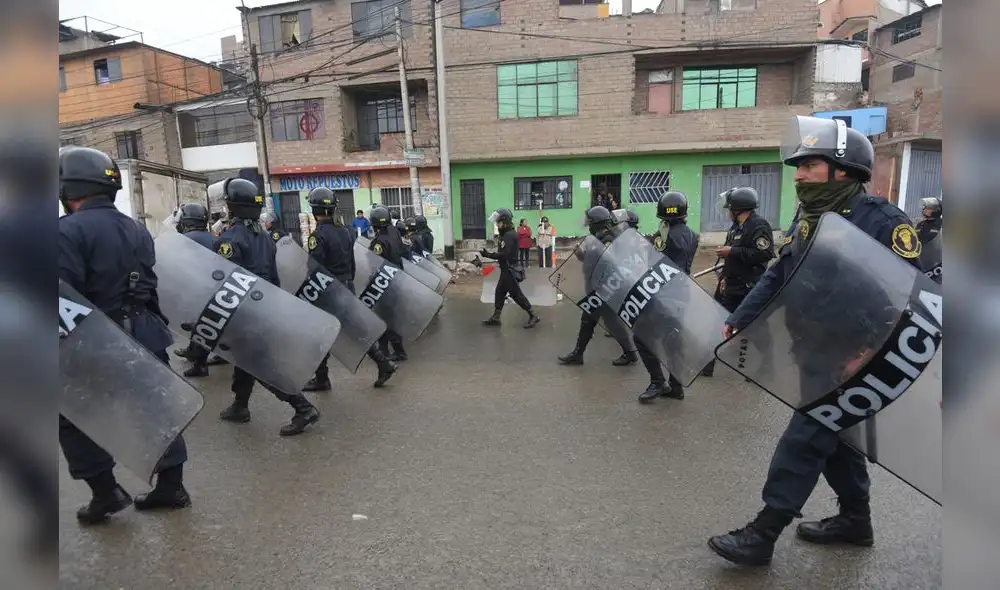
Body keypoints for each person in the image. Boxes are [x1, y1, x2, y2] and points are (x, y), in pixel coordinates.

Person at [707, 115, 924, 567]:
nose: (799, 173)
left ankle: (764, 532)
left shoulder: (882, 221)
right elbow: (782, 272)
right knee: (837, 439)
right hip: (814, 347)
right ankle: (855, 520)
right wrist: (742, 318)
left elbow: (906, 296)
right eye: (798, 166)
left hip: (854, 356)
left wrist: (866, 352)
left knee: (805, 437)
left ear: (842, 169)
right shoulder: (809, 218)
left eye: (809, 165)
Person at [58, 146, 190, 523]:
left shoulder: (64, 231)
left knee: (73, 412)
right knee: (157, 409)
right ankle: (172, 486)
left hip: (97, 337)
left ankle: (105, 493)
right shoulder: (136, 228)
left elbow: (62, 295)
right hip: (146, 331)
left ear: (68, 188)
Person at [214, 178, 321, 436]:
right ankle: (240, 406)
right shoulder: (264, 237)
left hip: (244, 313)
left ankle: (302, 407)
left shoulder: (229, 240)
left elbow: (225, 284)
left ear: (231, 206)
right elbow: (274, 278)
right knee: (244, 360)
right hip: (264, 308)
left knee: (258, 364)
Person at [302, 188, 397, 391]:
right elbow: (351, 263)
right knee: (354, 329)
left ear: (314, 209)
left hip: (328, 290)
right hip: (346, 285)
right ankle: (383, 362)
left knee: (319, 333)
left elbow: (314, 268)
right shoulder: (346, 231)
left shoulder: (318, 235)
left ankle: (322, 379)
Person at [700, 186, 775, 378]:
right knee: (715, 322)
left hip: (747, 287)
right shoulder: (736, 228)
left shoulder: (759, 226)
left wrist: (732, 251)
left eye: (729, 209)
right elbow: (731, 258)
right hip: (730, 284)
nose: (727, 212)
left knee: (756, 329)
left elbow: (764, 254)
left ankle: (767, 366)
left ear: (738, 209)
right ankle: (707, 365)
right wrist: (724, 277)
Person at [632, 192, 698, 403]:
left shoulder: (665, 234)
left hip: (664, 293)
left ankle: (657, 382)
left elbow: (656, 260)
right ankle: (676, 387)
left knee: (641, 335)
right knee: (673, 340)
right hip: (682, 293)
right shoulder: (692, 234)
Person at [558, 206, 638, 367]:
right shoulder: (596, 238)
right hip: (598, 289)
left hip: (606, 288)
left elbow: (609, 263)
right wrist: (581, 254)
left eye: (590, 222)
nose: (588, 225)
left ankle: (579, 354)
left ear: (597, 223)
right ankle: (628, 353)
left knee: (599, 322)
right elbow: (591, 261)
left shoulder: (610, 239)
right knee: (600, 322)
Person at [171, 202, 228, 376]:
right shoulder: (212, 237)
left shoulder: (186, 239)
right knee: (207, 324)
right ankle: (196, 354)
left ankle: (199, 364)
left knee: (199, 326)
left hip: (196, 289)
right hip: (213, 289)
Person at [480, 208, 540, 329]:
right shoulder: (506, 234)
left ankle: (533, 315)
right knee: (500, 292)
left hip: (510, 270)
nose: (497, 225)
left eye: (499, 222)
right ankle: (496, 317)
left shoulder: (509, 235)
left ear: (505, 222)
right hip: (506, 269)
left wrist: (488, 255)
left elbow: (504, 254)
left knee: (516, 294)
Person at [369, 205, 409, 361]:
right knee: (389, 316)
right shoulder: (394, 232)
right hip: (397, 278)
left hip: (385, 283)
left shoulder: (379, 242)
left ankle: (394, 352)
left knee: (385, 317)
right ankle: (389, 350)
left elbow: (373, 263)